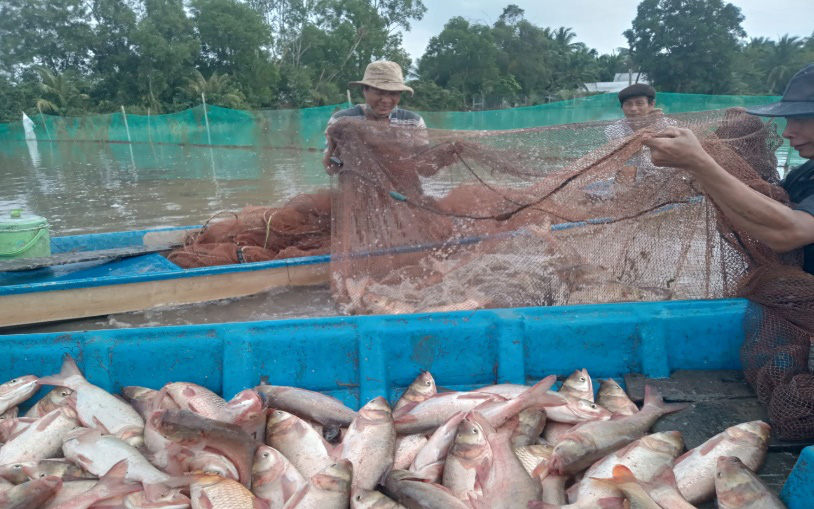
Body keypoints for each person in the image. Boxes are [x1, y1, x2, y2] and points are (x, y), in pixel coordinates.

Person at [643, 63, 814, 275]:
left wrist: (699, 161)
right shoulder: (805, 172)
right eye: (788, 119)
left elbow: (788, 232)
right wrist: (704, 168)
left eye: (802, 118)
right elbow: (768, 212)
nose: (787, 132)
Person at [323, 61, 426, 173]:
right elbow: (331, 170)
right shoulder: (341, 120)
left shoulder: (413, 122)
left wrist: (445, 154)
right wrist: (332, 148)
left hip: (403, 189)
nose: (386, 100)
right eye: (379, 92)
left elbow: (425, 170)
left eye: (393, 93)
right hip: (354, 188)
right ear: (364, 90)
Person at [605, 84, 676, 183]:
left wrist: (652, 126)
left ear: (651, 105)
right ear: (622, 107)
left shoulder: (669, 125)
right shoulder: (613, 129)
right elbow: (623, 156)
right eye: (628, 104)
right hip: (630, 175)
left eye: (639, 103)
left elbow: (672, 152)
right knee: (626, 170)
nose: (633, 108)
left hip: (664, 173)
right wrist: (642, 127)